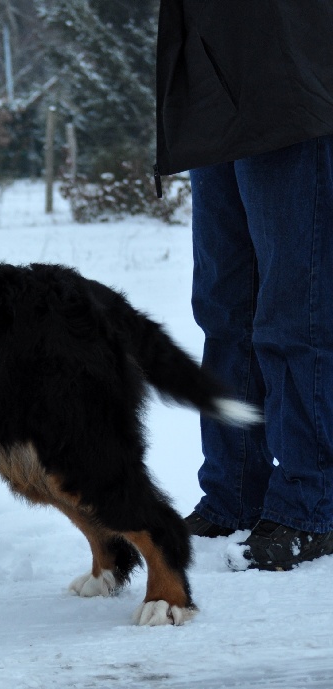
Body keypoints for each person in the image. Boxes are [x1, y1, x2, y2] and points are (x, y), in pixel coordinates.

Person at [154, 1, 333, 570]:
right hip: (214, 97)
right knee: (224, 311)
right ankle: (233, 493)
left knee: (295, 312)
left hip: (289, 85)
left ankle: (313, 503)